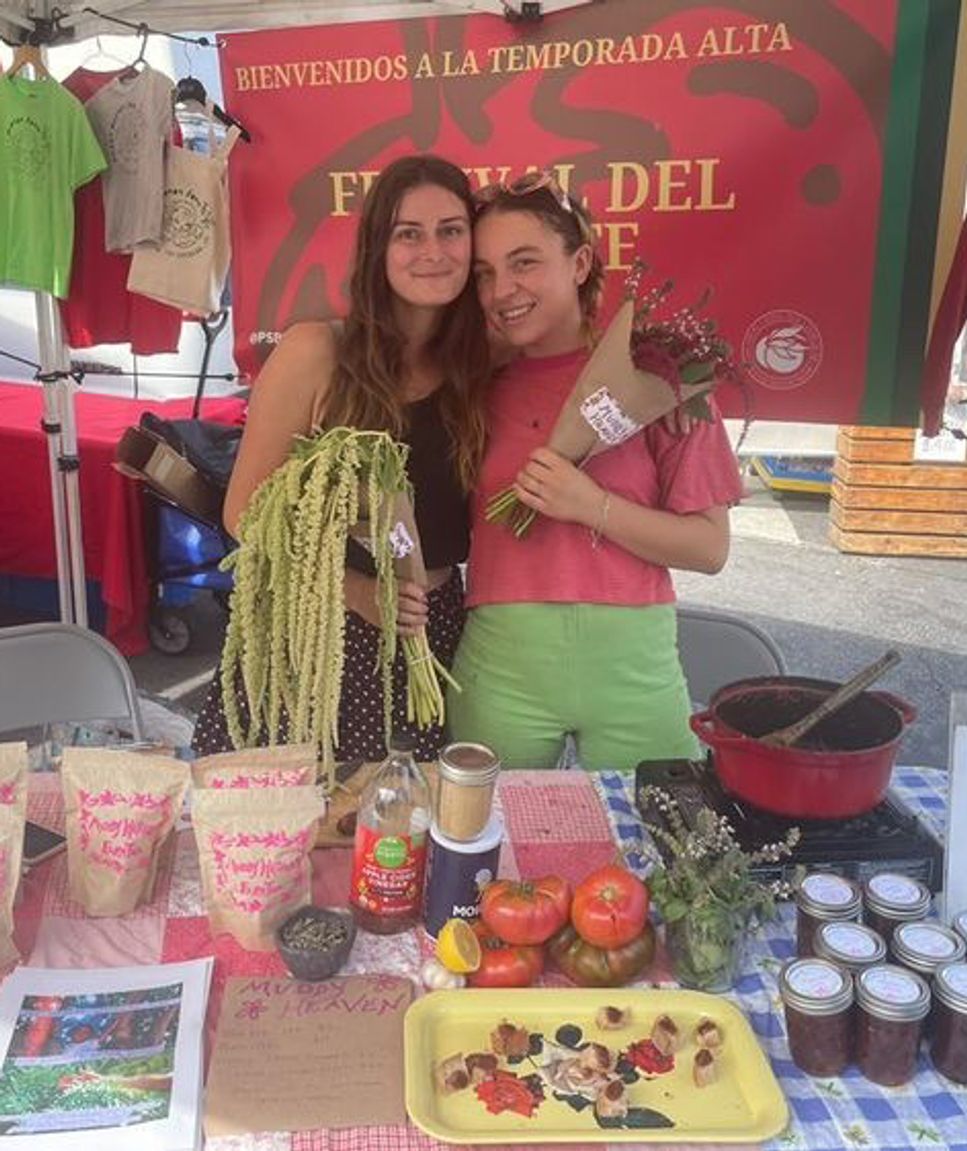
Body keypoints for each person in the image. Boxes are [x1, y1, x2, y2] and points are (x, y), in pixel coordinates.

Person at [191, 154, 490, 760]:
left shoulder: (479, 365)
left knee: (399, 831)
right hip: (317, 637)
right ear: (378, 248)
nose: (433, 250)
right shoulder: (315, 350)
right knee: (287, 833)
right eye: (409, 234)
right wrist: (355, 591)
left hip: (433, 634)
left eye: (451, 230)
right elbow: (244, 511)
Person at [448, 172, 744, 771]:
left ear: (580, 262)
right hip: (503, 665)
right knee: (486, 847)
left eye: (524, 262)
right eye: (484, 273)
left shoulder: (662, 377)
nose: (502, 289)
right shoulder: (467, 389)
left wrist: (591, 505)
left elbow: (709, 548)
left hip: (635, 668)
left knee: (662, 849)